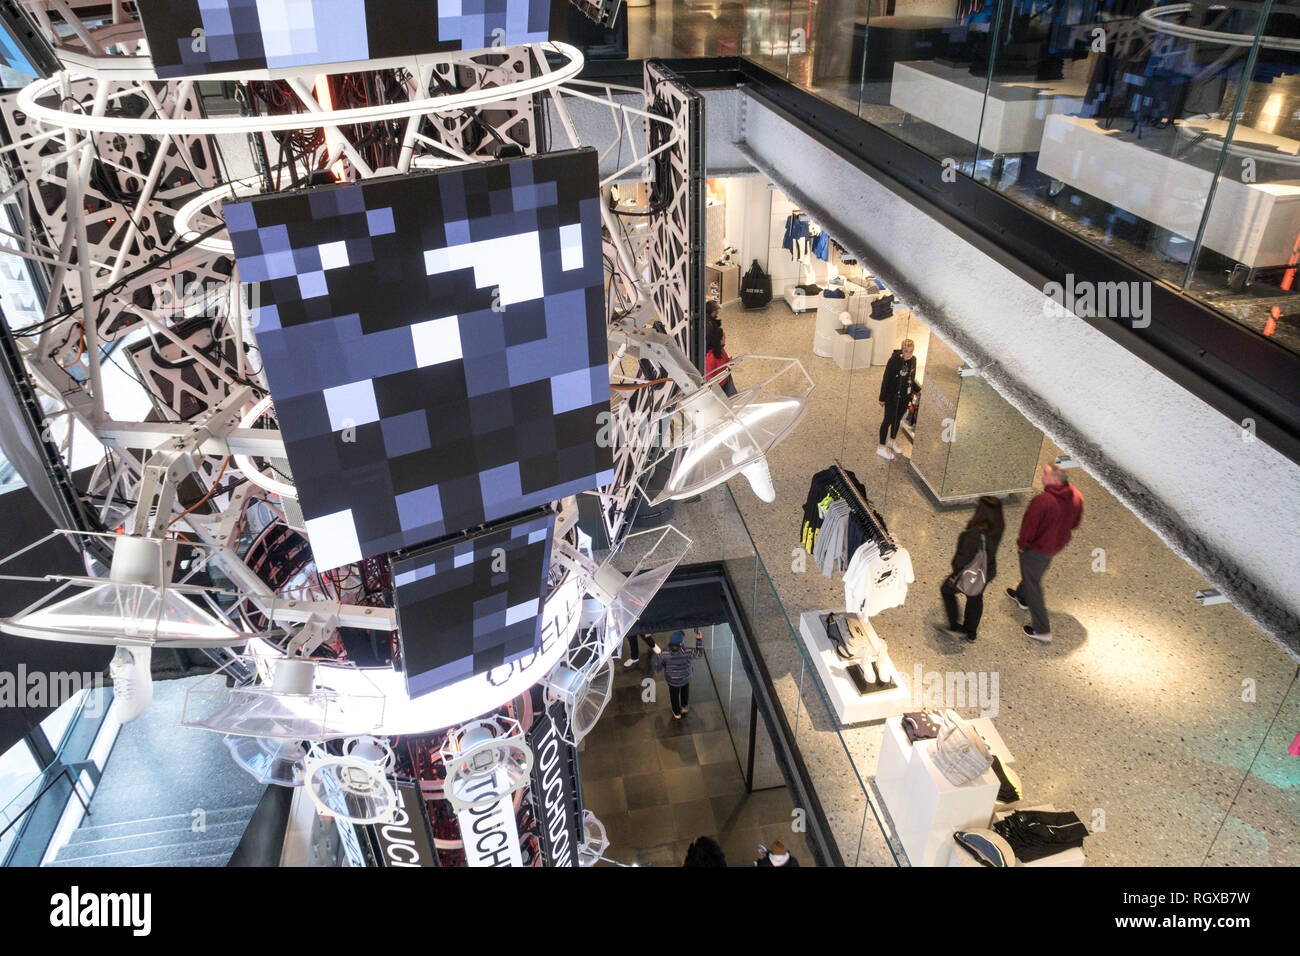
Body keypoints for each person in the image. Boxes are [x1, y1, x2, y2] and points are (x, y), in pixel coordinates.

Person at [1007, 464, 1084, 642]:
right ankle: (1021, 597)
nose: (1042, 475)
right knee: (1033, 574)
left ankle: (1042, 630)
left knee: (1033, 583)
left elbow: (1029, 527)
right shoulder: (1077, 496)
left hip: (1036, 548)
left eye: (1046, 473)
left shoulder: (1043, 501)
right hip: (1055, 546)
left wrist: (1022, 544)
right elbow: (1075, 523)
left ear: (1056, 479)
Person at [938, 496, 1004, 642]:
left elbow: (963, 558)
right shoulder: (998, 527)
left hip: (969, 573)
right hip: (986, 571)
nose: (975, 505)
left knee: (946, 590)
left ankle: (955, 626)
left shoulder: (975, 534)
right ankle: (970, 632)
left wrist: (955, 569)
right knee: (975, 597)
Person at [876, 338, 916, 460]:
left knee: (897, 419)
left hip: (905, 397)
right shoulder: (894, 361)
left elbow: (911, 378)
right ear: (902, 350)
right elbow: (886, 380)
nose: (908, 354)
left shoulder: (913, 360)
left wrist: (916, 390)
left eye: (910, 351)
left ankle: (892, 441)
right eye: (905, 351)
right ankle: (881, 446)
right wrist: (882, 398)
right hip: (892, 397)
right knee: (887, 420)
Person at [654, 629, 704, 718]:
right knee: (685, 691)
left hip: (672, 680)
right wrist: (699, 640)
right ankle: (684, 706)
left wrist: (658, 670)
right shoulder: (688, 652)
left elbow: (659, 663)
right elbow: (699, 654)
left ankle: (676, 712)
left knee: (674, 695)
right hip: (685, 678)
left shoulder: (664, 654)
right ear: (681, 643)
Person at [705, 323, 737, 397]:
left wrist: (729, 361)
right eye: (724, 337)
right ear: (719, 340)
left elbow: (724, 360)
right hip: (719, 387)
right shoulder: (711, 357)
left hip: (726, 378)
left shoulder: (720, 348)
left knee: (733, 398)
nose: (725, 337)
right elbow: (709, 377)